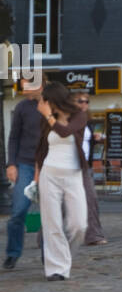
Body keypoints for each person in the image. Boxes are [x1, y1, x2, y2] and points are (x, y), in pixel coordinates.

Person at [34, 83, 89, 281]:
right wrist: (36, 176)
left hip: (73, 174)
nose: (40, 104)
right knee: (52, 224)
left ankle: (64, 258)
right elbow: (40, 149)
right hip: (49, 174)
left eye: (43, 100)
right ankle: (56, 269)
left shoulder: (78, 115)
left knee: (79, 225)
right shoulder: (46, 121)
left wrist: (49, 116)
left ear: (51, 100)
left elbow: (66, 132)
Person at [3, 79, 42, 271]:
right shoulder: (21, 107)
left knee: (51, 214)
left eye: (27, 86)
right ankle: (13, 253)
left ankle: (49, 254)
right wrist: (11, 164)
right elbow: (13, 137)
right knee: (18, 210)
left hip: (48, 164)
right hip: (24, 164)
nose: (23, 90)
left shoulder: (53, 104)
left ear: (40, 85)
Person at [72, 90, 108, 245]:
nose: (84, 104)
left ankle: (93, 235)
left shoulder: (87, 121)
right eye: (80, 101)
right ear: (72, 103)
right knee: (62, 202)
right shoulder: (68, 119)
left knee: (90, 198)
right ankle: (46, 236)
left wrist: (96, 139)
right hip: (69, 164)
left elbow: (86, 143)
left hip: (84, 165)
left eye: (87, 101)